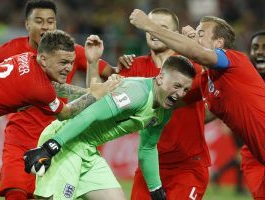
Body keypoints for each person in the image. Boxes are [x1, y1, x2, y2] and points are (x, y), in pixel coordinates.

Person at [24, 46, 196, 199]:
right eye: (177, 85)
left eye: (185, 89)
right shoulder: (137, 94)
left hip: (88, 149)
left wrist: (155, 187)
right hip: (66, 141)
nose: (180, 94)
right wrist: (50, 147)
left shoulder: (164, 112)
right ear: (160, 78)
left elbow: (148, 148)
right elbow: (90, 114)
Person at [0, 1, 115, 199]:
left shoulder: (31, 58)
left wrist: (92, 87)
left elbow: (58, 87)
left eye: (50, 21)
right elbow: (64, 112)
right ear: (27, 24)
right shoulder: (35, 81)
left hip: (55, 139)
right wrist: (94, 94)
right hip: (21, 137)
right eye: (39, 21)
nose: (68, 68)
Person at [88, 8, 210, 200]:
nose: (154, 32)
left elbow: (214, 77)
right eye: (150, 26)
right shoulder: (133, 67)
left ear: (174, 35)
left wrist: (197, 44)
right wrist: (93, 62)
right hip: (149, 164)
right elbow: (96, 95)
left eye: (161, 28)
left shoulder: (191, 65)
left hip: (187, 166)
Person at [129, 10, 265, 165]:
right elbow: (169, 103)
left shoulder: (233, 59)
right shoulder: (205, 82)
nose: (193, 36)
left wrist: (150, 26)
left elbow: (197, 53)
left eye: (200, 33)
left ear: (218, 43)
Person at [240, 30, 265, 199]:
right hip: (254, 154)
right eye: (255, 47)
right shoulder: (242, 81)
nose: (260, 51)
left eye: (264, 47)